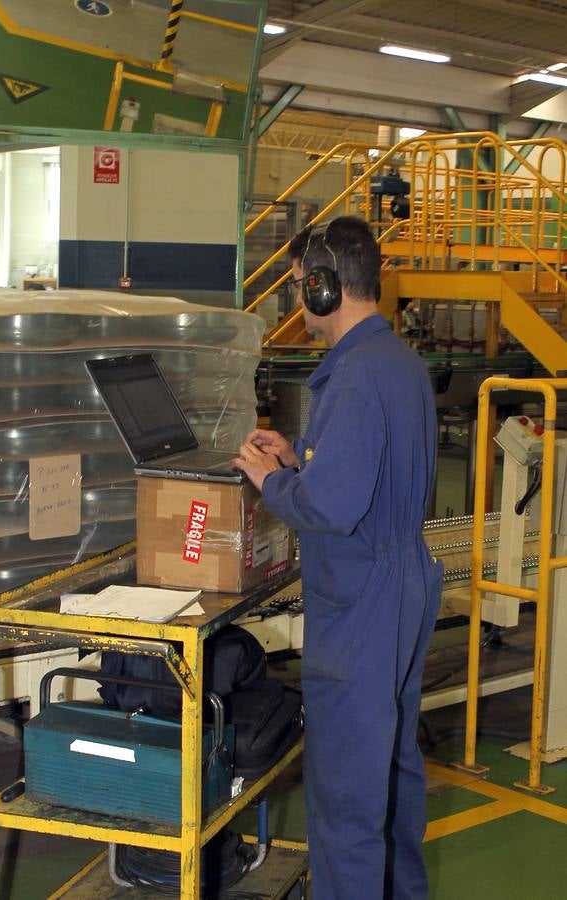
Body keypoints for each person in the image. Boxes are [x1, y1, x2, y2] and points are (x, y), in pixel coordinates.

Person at [233, 216, 443, 900]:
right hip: (406, 581)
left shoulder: (352, 377)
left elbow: (331, 510)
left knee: (348, 792)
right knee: (390, 770)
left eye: (298, 286)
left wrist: (273, 482)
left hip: (360, 603)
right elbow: (370, 476)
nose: (296, 300)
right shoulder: (397, 361)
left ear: (322, 289)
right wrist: (301, 459)